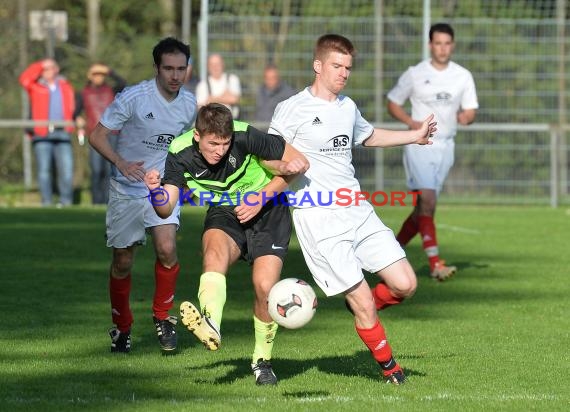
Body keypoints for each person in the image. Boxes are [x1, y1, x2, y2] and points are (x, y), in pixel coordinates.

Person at [267, 34, 435, 385]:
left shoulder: (347, 107)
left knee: (406, 284)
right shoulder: (292, 109)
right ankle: (391, 370)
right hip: (318, 219)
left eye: (348, 68)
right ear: (318, 65)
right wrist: (283, 171)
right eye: (336, 66)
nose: (343, 73)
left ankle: (365, 307)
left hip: (357, 210)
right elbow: (269, 154)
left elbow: (369, 136)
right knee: (363, 303)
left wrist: (414, 135)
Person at [143, 103, 309, 385]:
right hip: (224, 211)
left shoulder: (245, 135)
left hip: (268, 208)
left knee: (265, 287)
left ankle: (262, 361)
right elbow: (165, 207)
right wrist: (155, 192)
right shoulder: (179, 152)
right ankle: (211, 324)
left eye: (225, 143)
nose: (219, 150)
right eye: (213, 144)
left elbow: (300, 163)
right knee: (213, 255)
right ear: (197, 136)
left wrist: (261, 197)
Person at [88, 37, 197, 354]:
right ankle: (122, 327)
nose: (175, 76)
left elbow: (192, 145)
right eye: (168, 69)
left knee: (167, 248)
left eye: (181, 69)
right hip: (126, 189)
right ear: (156, 68)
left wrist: (185, 178)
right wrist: (121, 162)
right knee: (123, 261)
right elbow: (97, 136)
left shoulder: (190, 105)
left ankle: (163, 318)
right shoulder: (134, 98)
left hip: (162, 188)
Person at [387, 23, 479, 281]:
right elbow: (393, 102)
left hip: (446, 146)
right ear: (430, 45)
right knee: (427, 201)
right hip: (420, 144)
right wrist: (410, 123)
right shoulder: (415, 74)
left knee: (423, 210)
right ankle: (436, 265)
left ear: (453, 45)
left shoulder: (463, 75)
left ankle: (389, 255)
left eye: (447, 43)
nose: (442, 48)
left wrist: (467, 116)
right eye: (437, 43)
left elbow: (471, 110)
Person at [19, 58, 76, 207]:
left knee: (67, 170)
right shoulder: (36, 87)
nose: (47, 71)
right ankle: (46, 202)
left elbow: (72, 106)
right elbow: (24, 78)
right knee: (44, 170)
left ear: (56, 69)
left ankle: (66, 202)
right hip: (42, 133)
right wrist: (40, 65)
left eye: (50, 67)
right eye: (45, 69)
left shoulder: (65, 85)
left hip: (63, 131)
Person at [75, 63, 127, 204]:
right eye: (95, 74)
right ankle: (96, 201)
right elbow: (75, 111)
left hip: (112, 133)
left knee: (109, 170)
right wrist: (78, 117)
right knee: (96, 170)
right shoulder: (83, 93)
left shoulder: (112, 90)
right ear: (90, 76)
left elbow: (123, 83)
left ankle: (108, 201)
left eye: (101, 75)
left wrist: (109, 71)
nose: (98, 77)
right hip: (95, 134)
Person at [195, 53, 241, 118]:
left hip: (232, 123)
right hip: (211, 124)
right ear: (208, 67)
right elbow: (200, 108)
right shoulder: (202, 85)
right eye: (212, 65)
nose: (215, 67)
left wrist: (212, 100)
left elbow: (234, 99)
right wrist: (224, 97)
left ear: (223, 64)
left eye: (217, 64)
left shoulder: (232, 79)